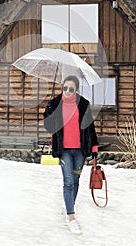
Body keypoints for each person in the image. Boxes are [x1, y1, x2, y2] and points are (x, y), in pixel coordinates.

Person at [44, 75, 98, 234]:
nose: (67, 91)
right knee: (68, 181)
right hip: (64, 150)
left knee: (75, 180)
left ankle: (69, 206)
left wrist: (94, 147)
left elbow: (90, 128)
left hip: (80, 150)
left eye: (71, 89)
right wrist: (49, 111)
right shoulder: (54, 104)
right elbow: (49, 126)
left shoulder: (83, 104)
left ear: (76, 90)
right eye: (65, 88)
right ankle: (71, 216)